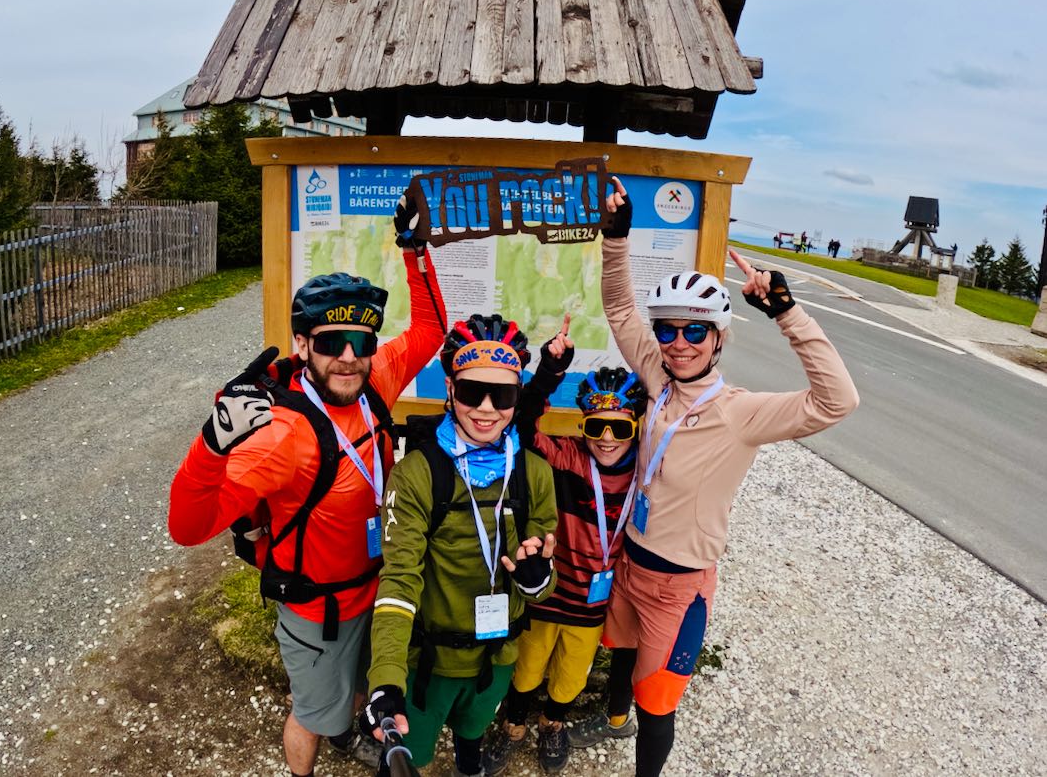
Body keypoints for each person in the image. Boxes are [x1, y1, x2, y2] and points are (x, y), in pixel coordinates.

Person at [168, 196, 446, 777]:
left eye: (362, 342)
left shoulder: (376, 384)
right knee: (312, 714)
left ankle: (346, 725)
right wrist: (213, 446)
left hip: (376, 590)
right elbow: (188, 530)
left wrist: (415, 252)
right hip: (317, 610)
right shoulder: (281, 436)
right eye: (329, 343)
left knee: (356, 692)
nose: (349, 358)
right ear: (301, 345)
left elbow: (429, 330)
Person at [598, 178, 859, 777]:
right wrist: (617, 240)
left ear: (718, 338)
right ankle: (611, 722)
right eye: (667, 329)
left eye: (695, 331)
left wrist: (788, 313)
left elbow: (836, 401)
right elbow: (618, 308)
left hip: (679, 584)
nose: (678, 343)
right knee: (620, 653)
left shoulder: (739, 412)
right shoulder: (658, 381)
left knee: (658, 699)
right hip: (630, 560)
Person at [361, 314, 559, 777]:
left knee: (472, 733)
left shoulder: (535, 475)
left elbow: (546, 580)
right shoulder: (415, 476)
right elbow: (398, 579)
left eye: (503, 394)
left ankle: (470, 763)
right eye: (472, 392)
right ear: (449, 389)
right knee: (416, 760)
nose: (486, 408)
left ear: (518, 397)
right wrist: (385, 677)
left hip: (498, 656)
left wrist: (537, 581)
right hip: (428, 667)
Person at [483, 315, 649, 776]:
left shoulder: (646, 472)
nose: (609, 440)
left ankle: (552, 722)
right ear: (583, 426)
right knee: (528, 668)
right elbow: (522, 424)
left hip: (594, 606)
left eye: (620, 428)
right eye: (597, 428)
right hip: (549, 595)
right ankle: (514, 725)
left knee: (572, 675)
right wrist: (551, 372)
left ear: (636, 426)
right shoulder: (569, 456)